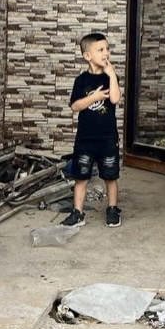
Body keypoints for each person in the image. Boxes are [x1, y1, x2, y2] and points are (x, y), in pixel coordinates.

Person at [62, 32, 123, 227]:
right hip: (85, 139)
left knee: (110, 176)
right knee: (81, 177)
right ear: (87, 56)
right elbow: (75, 106)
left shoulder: (110, 78)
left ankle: (112, 209)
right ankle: (77, 212)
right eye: (100, 50)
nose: (106, 53)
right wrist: (93, 97)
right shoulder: (81, 81)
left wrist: (111, 75)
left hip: (107, 138)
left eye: (107, 49)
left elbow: (115, 98)